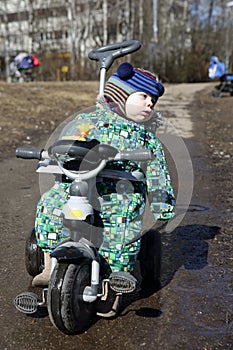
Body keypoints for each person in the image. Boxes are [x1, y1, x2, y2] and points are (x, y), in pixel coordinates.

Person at [32, 62, 175, 287]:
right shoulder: (87, 121)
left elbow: (158, 172)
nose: (150, 104)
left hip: (121, 190)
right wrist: (63, 151)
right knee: (50, 205)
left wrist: (162, 204)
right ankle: (51, 263)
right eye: (144, 96)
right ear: (120, 95)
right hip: (78, 183)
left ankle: (116, 274)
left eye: (153, 101)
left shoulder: (147, 139)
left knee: (122, 222)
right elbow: (68, 140)